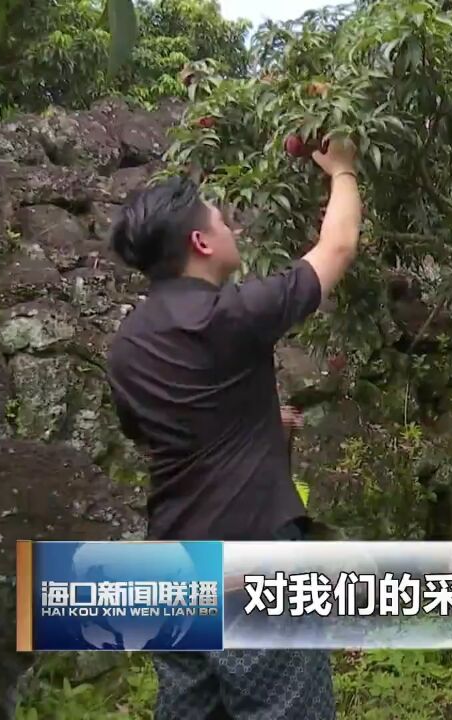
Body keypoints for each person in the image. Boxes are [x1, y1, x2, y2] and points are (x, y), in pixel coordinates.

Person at [104, 138, 363, 720]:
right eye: (222, 220)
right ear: (200, 242)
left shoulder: (127, 345)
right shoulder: (229, 316)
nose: (232, 228)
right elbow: (337, 247)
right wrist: (343, 169)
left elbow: (154, 433)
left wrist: (253, 426)